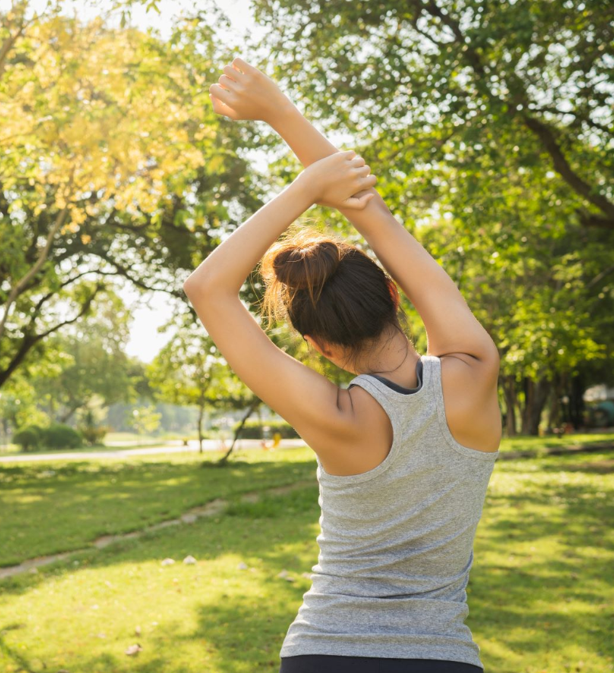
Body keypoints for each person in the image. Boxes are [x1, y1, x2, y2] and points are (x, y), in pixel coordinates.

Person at [184, 57, 502, 673]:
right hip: (443, 659)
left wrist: (304, 190)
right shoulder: (475, 371)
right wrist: (283, 114)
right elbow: (373, 219)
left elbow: (207, 289)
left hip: (324, 652)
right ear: (393, 294)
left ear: (319, 347)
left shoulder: (334, 415)